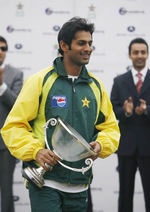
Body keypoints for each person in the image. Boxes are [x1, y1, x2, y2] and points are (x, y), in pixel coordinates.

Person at [1, 17, 120, 212]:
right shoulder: (40, 80)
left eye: (90, 43)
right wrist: (35, 151)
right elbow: (13, 126)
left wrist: (101, 144)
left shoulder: (96, 86)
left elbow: (111, 127)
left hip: (80, 184)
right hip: (45, 183)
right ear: (64, 45)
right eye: (81, 43)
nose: (88, 48)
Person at [110, 37, 150, 212]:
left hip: (149, 146)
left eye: (143, 52)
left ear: (147, 54)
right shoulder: (119, 81)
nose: (139, 55)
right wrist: (126, 112)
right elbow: (112, 109)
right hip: (126, 146)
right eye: (136, 52)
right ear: (130, 55)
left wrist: (147, 109)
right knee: (125, 194)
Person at [0, 36, 23, 212]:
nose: (1, 51)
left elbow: (17, 104)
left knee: (6, 191)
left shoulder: (15, 74)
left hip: (5, 144)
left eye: (4, 48)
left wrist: (2, 86)